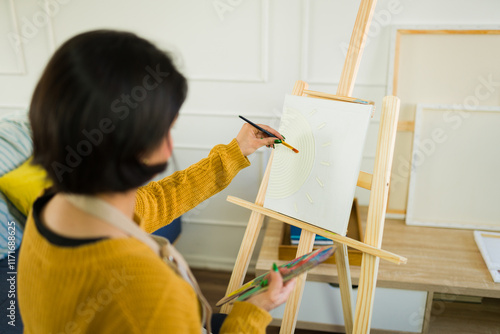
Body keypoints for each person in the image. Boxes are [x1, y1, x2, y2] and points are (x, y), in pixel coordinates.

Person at [18, 30, 296, 334]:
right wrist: (253, 313)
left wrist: (236, 150)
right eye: (165, 131)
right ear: (128, 143)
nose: (169, 147)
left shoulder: (51, 205)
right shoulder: (147, 292)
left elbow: (160, 200)